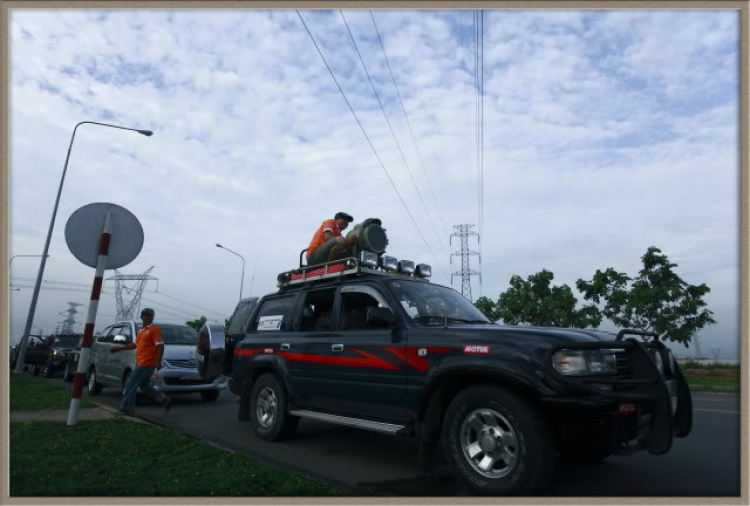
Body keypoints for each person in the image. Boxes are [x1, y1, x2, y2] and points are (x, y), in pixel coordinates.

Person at [110, 308, 172, 415]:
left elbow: (160, 346)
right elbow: (135, 345)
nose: (149, 317)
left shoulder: (154, 329)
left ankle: (126, 408)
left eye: (151, 315)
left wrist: (158, 361)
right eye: (147, 315)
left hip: (147, 363)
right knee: (144, 386)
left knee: (130, 384)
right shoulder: (141, 331)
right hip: (140, 362)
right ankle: (164, 399)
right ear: (142, 317)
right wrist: (119, 348)